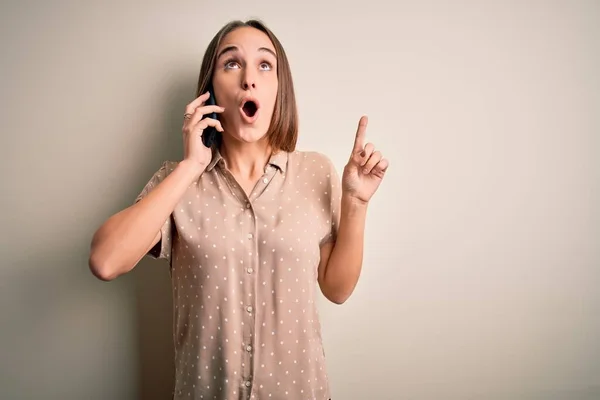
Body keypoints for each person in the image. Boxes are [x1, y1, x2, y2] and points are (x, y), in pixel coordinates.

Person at [89, 19, 388, 400]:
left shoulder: (315, 172)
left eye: (265, 65)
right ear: (210, 90)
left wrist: (357, 203)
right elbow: (105, 261)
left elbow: (337, 288)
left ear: (279, 90)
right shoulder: (177, 181)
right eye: (231, 63)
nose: (249, 78)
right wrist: (191, 166)